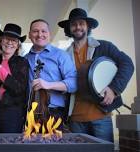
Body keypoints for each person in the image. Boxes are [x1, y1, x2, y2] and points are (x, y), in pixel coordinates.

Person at [58, 8, 134, 142]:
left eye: (81, 23)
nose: (78, 27)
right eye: (74, 24)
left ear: (88, 26)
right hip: (75, 120)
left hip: (101, 116)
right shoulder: (63, 55)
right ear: (69, 29)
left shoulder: (104, 46)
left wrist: (113, 89)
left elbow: (127, 64)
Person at [25, 19, 77, 131]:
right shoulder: (25, 59)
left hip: (54, 113)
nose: (40, 34)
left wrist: (48, 85)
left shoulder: (61, 55)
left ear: (49, 34)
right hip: (30, 113)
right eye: (35, 31)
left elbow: (74, 83)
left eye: (44, 31)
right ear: (29, 35)